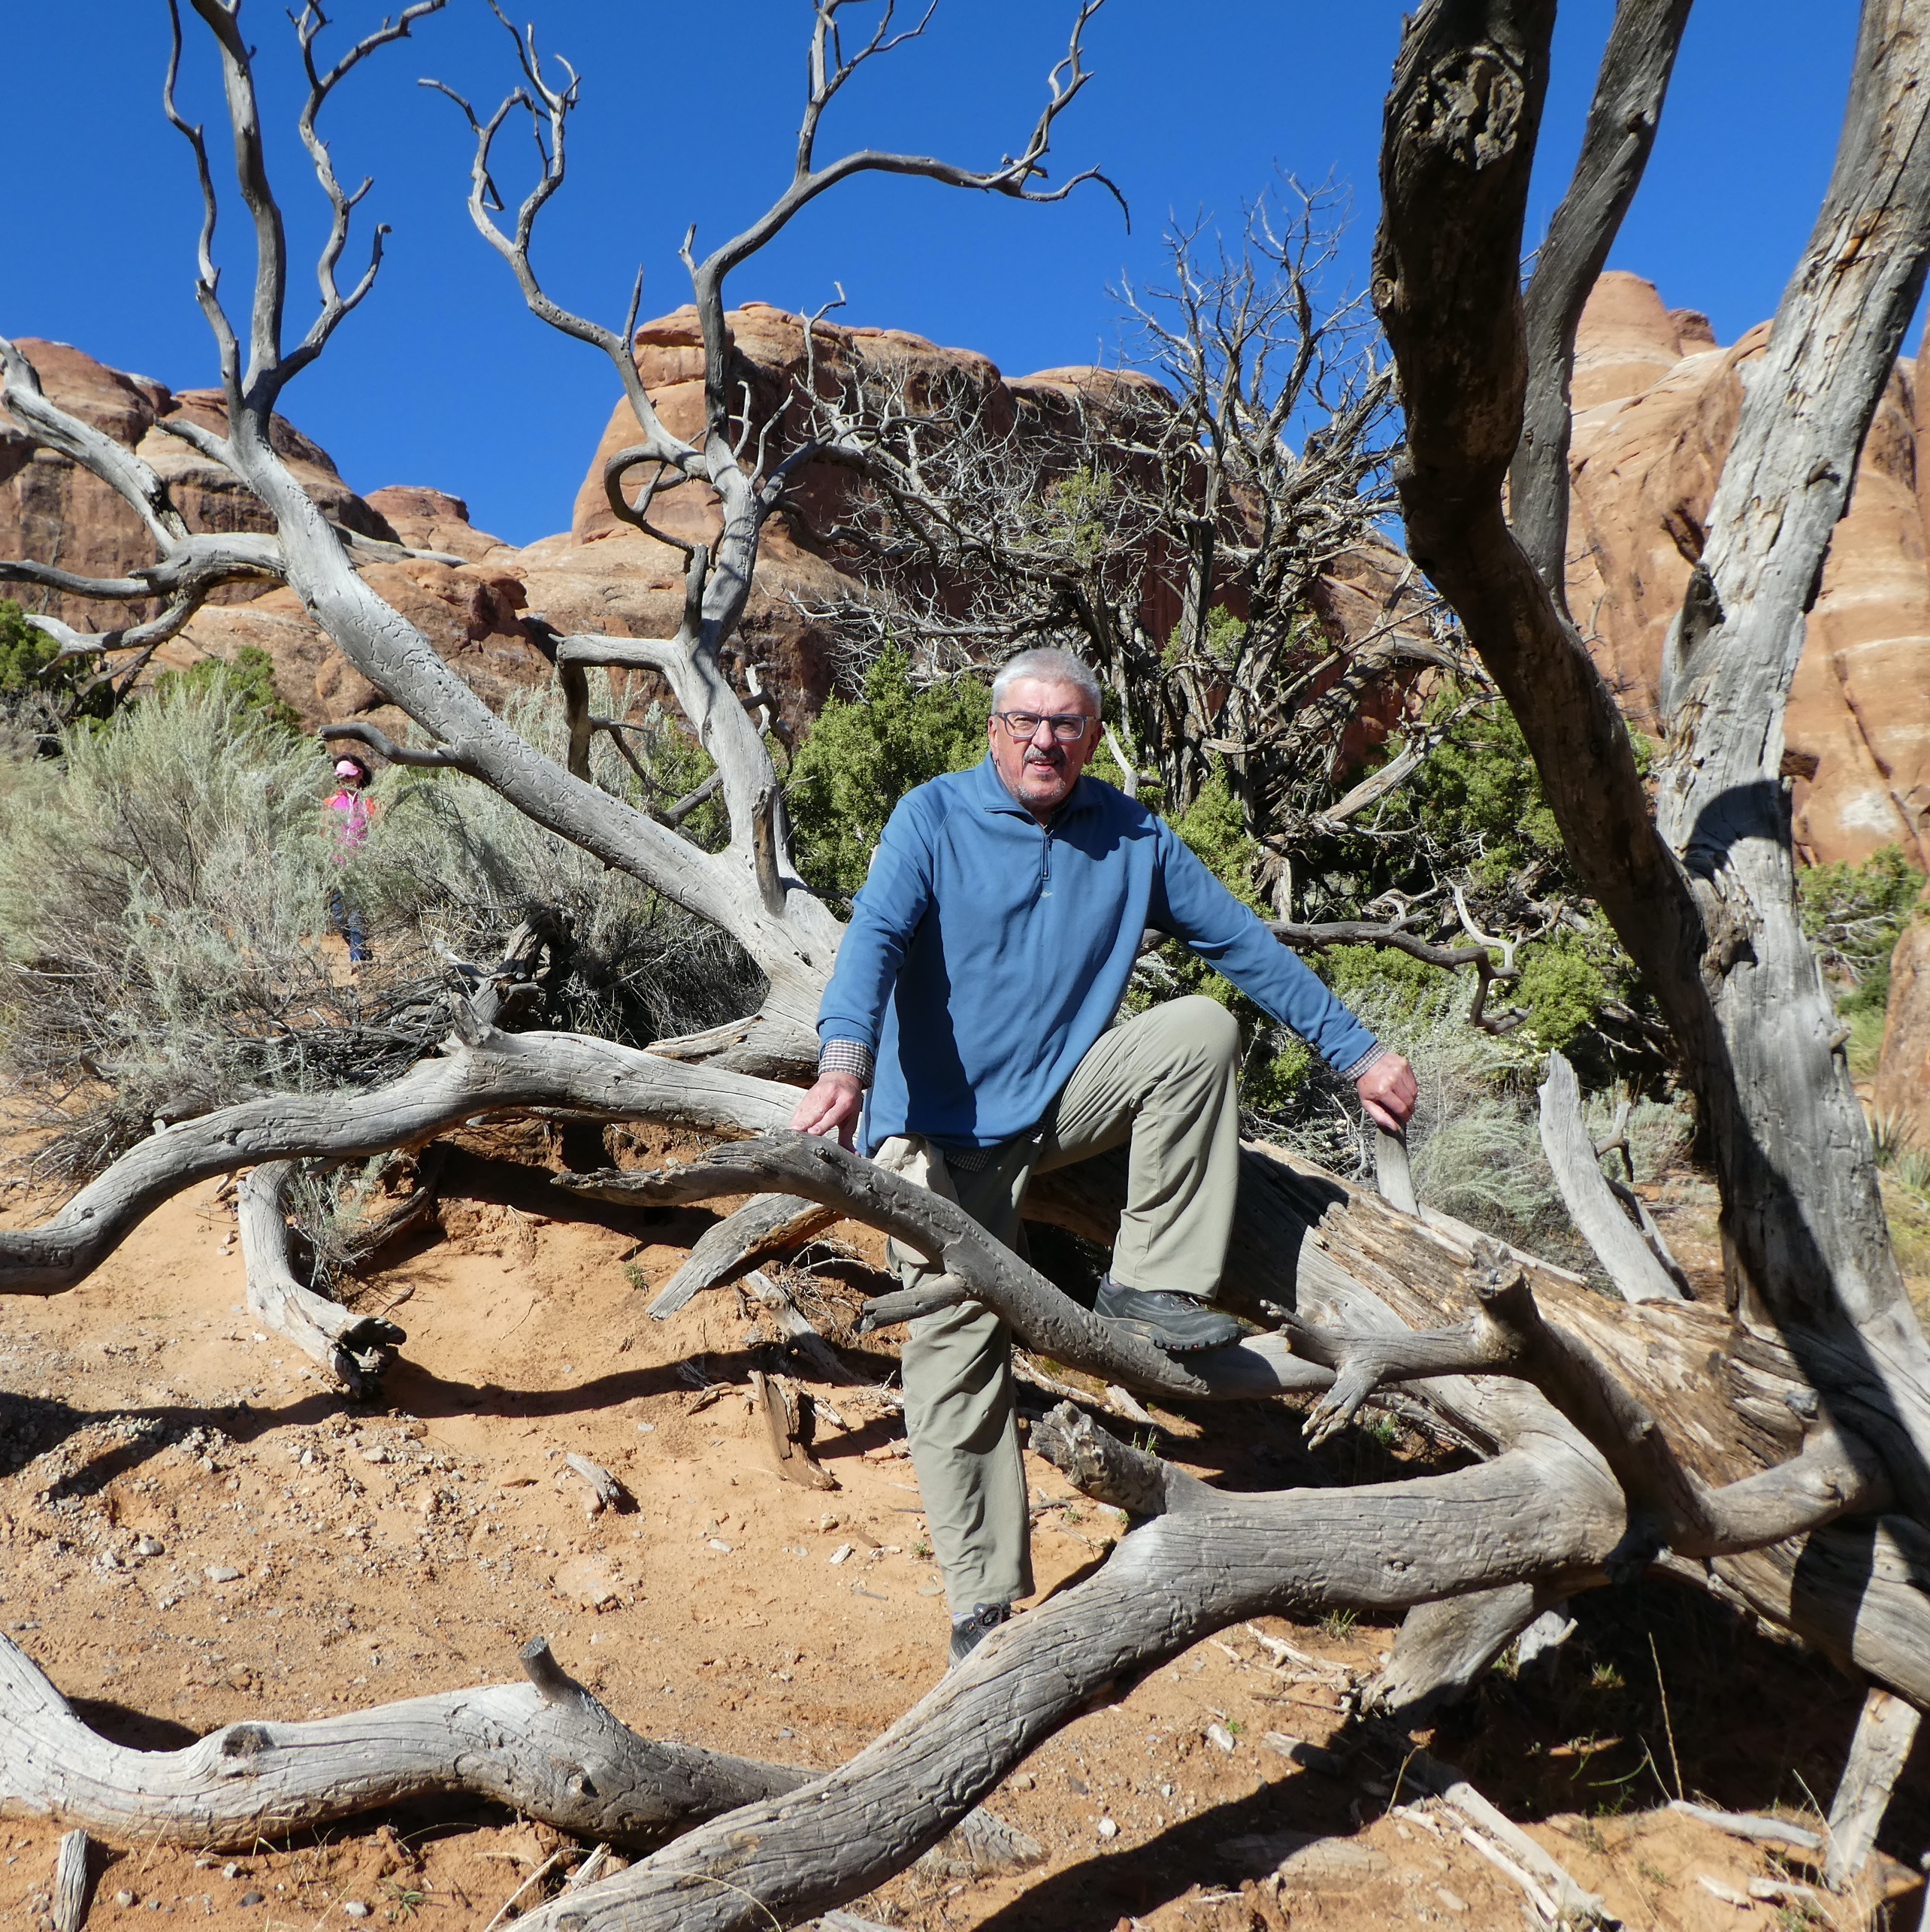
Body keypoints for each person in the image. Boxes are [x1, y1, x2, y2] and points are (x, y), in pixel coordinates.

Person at [789, 646, 1417, 1664]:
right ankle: (983, 1606)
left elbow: (1244, 945)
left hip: (1059, 1107)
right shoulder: (934, 816)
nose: (1046, 739)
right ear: (993, 729)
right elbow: (875, 938)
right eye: (1028, 721)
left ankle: (1152, 1282)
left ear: (1089, 734)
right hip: (938, 1132)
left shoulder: (1131, 835)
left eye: (1068, 723)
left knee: (1197, 1034)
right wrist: (846, 1062)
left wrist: (1359, 1052)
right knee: (956, 1348)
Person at [325, 753, 374, 965]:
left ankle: (357, 959)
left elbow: (376, 829)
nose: (344, 781)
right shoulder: (332, 802)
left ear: (359, 774)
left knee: (355, 915)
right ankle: (360, 950)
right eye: (341, 777)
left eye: (348, 776)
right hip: (335, 867)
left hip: (359, 866)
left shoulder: (368, 801)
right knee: (339, 918)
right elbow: (324, 833)